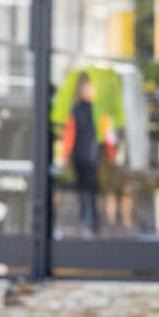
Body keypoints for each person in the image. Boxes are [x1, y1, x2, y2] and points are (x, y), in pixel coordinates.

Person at [65, 73, 105, 236]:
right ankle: (89, 224)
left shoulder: (87, 108)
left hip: (86, 155)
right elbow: (71, 133)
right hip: (86, 156)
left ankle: (89, 223)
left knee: (87, 192)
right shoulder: (85, 109)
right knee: (86, 192)